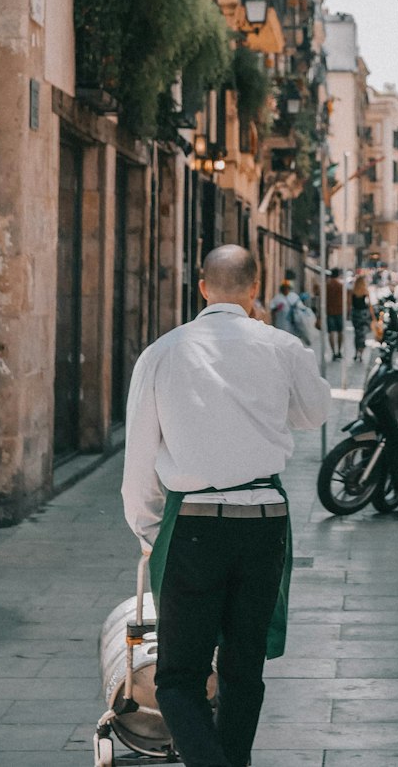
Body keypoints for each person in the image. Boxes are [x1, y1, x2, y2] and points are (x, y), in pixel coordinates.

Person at [122, 245, 331, 767]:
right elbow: (315, 413)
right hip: (265, 524)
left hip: (193, 524)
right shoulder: (281, 346)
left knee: (177, 677)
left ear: (202, 288)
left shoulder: (162, 353)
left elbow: (140, 460)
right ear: (256, 289)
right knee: (242, 670)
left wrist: (150, 531)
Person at [350, 272, 376, 360]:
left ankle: (356, 352)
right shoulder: (365, 291)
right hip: (363, 315)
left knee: (357, 334)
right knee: (363, 335)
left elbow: (350, 304)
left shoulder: (353, 292)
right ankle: (361, 354)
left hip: (355, 314)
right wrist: (373, 317)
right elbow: (370, 305)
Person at [325, 267, 344, 360]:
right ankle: (339, 351)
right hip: (339, 311)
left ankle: (333, 352)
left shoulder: (327, 285)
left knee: (331, 332)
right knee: (340, 332)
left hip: (329, 311)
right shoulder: (340, 286)